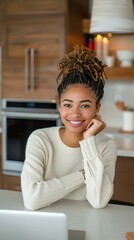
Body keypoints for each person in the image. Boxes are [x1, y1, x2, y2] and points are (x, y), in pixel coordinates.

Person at [21, 45, 117, 210]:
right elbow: (32, 199)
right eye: (67, 105)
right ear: (59, 107)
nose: (75, 113)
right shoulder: (40, 139)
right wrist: (84, 175)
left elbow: (99, 201)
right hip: (45, 224)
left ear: (97, 108)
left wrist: (89, 142)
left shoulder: (106, 146)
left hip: (87, 225)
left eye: (85, 106)